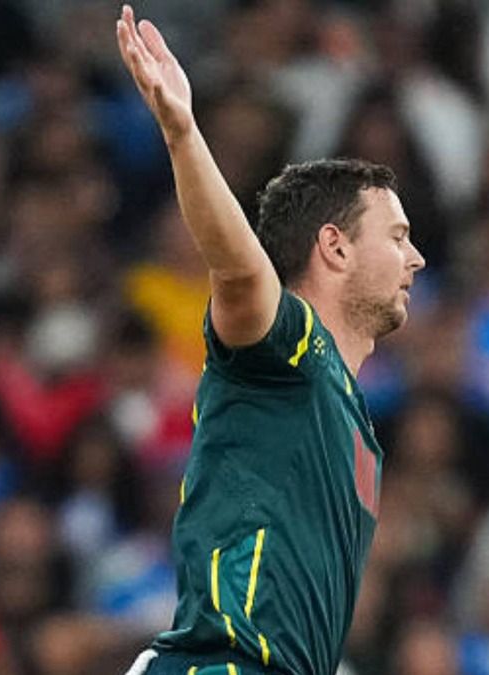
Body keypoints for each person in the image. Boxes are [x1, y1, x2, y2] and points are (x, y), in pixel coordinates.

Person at [114, 5, 426, 675]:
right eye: (398, 237)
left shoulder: (347, 410)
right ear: (334, 248)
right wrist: (182, 130)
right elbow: (236, 269)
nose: (417, 258)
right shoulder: (287, 346)